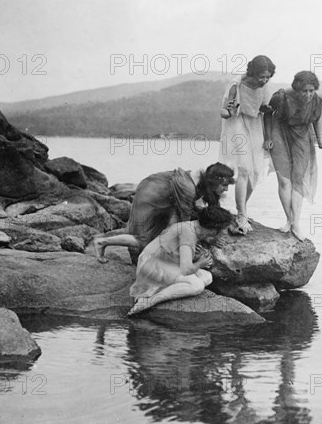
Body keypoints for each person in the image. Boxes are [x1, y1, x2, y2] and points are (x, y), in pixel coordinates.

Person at [93, 162, 235, 263]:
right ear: (213, 181)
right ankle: (102, 242)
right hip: (150, 194)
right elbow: (185, 225)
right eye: (224, 185)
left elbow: (213, 210)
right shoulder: (188, 187)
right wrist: (198, 239)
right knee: (144, 238)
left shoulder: (204, 182)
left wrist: (217, 233)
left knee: (166, 234)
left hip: (169, 197)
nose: (226, 189)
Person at [264, 71, 322, 241]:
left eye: (311, 90)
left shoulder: (317, 100)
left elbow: (316, 120)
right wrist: (268, 138)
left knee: (298, 179)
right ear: (296, 88)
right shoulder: (281, 97)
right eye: (304, 91)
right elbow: (266, 115)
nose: (308, 94)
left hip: (302, 135)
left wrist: (320, 141)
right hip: (279, 132)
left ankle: (295, 223)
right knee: (284, 180)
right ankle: (291, 221)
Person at [128, 205, 234, 315]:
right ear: (213, 229)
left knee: (207, 277)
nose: (225, 232)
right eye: (224, 229)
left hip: (165, 261)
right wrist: (200, 263)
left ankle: (160, 288)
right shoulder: (188, 234)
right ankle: (149, 301)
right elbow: (187, 269)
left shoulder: (193, 227)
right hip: (152, 264)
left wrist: (210, 240)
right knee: (197, 286)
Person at [219, 55, 276, 235]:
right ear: (252, 72)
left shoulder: (266, 87)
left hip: (256, 126)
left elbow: (267, 113)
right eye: (261, 77)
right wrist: (229, 110)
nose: (264, 80)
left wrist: (267, 138)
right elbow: (224, 111)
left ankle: (240, 210)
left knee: (257, 171)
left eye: (268, 77)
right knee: (244, 169)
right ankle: (242, 215)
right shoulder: (236, 84)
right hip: (237, 124)